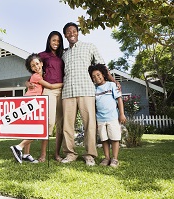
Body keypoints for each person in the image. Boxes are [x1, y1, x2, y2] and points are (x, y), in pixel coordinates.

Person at [61, 22, 120, 166]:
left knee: (90, 124)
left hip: (86, 90)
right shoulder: (63, 54)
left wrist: (113, 81)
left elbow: (102, 66)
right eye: (68, 32)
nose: (71, 33)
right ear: (65, 35)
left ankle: (89, 155)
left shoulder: (89, 46)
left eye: (74, 31)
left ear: (77, 32)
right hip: (68, 91)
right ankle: (70, 154)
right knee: (67, 125)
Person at [10, 53, 63, 163]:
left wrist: (27, 83)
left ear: (42, 63)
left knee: (29, 130)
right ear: (31, 68)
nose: (36, 67)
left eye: (37, 64)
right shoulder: (36, 76)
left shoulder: (40, 75)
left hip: (33, 103)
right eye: (33, 66)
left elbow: (29, 82)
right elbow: (51, 86)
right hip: (31, 103)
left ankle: (26, 154)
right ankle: (19, 147)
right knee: (39, 130)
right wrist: (64, 83)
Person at [29, 31, 65, 162]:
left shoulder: (63, 55)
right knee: (49, 122)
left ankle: (56, 154)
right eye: (54, 40)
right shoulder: (42, 55)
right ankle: (43, 154)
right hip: (49, 90)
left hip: (63, 91)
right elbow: (34, 70)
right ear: (49, 41)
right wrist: (28, 82)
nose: (56, 43)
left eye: (58, 41)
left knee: (61, 124)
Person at [88, 64, 126, 167]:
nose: (97, 77)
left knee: (114, 138)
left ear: (103, 74)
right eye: (94, 76)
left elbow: (119, 99)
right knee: (104, 139)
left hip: (113, 118)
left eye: (98, 74)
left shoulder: (111, 85)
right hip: (100, 119)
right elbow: (95, 106)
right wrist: (95, 120)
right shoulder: (94, 90)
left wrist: (121, 114)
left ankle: (114, 159)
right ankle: (106, 158)